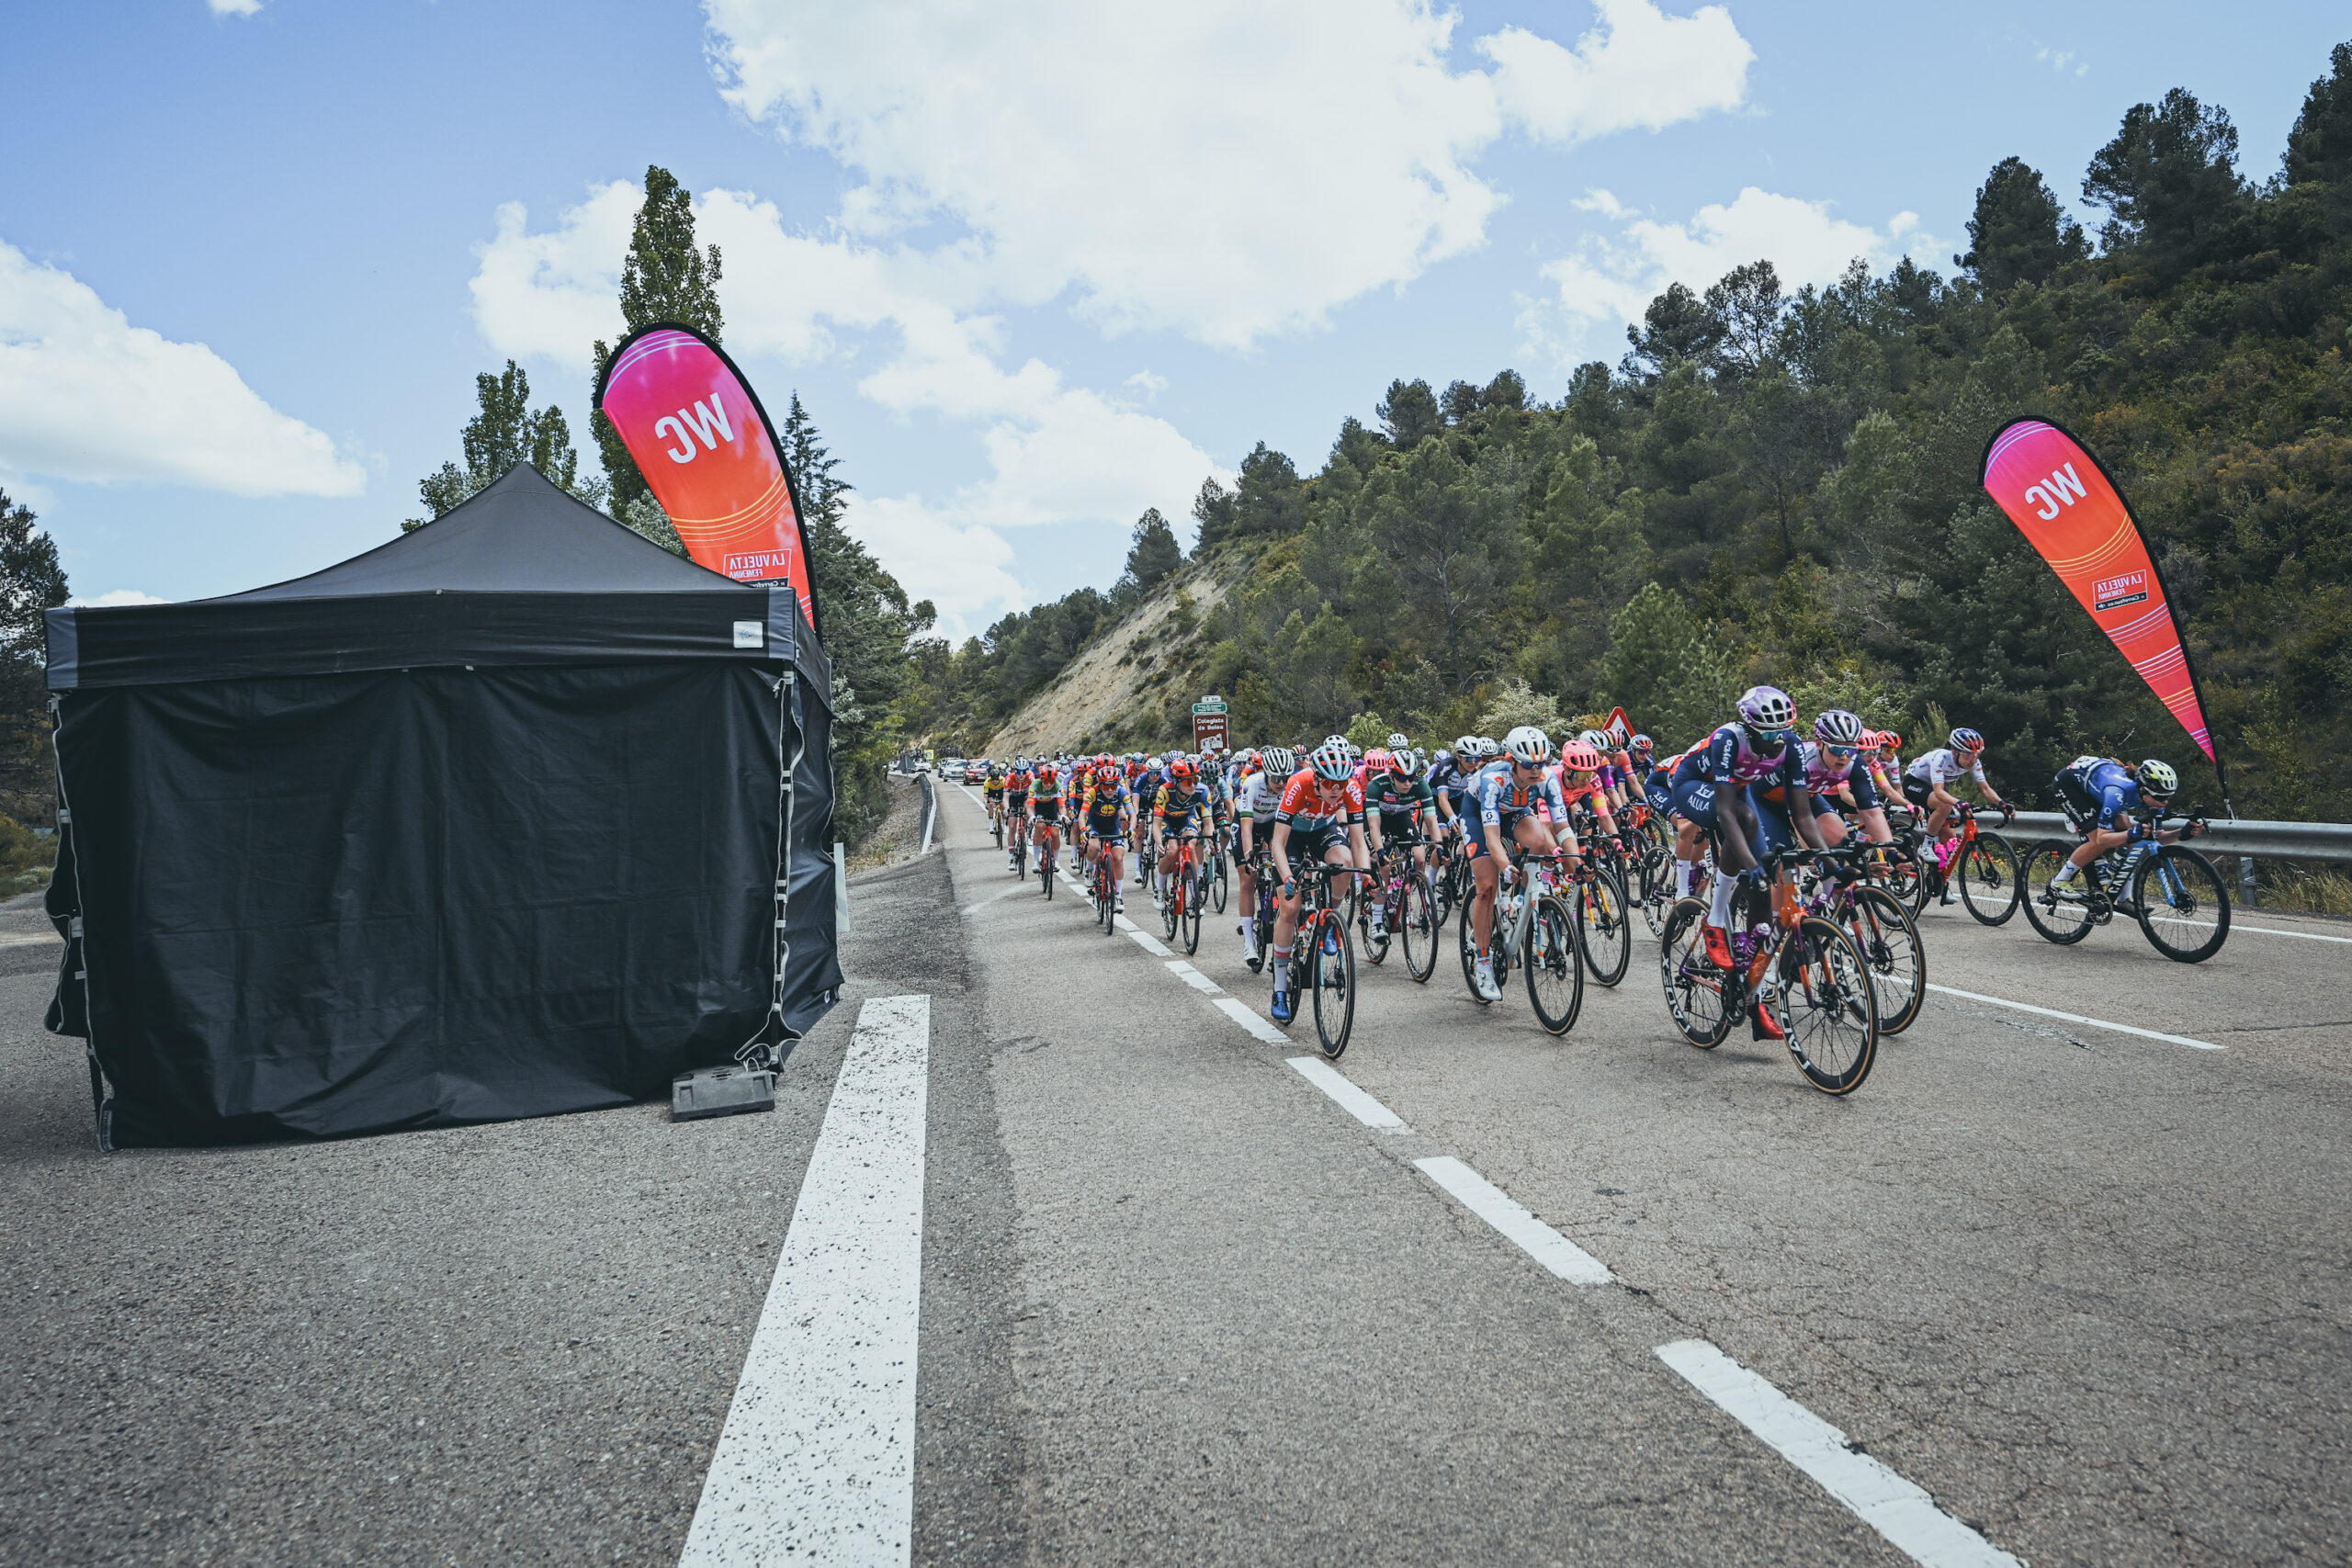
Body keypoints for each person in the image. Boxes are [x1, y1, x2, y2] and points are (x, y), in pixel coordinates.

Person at [1266, 739, 1369, 1025]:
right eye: (1331, 785)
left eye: (1342, 783)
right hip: (1292, 838)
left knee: (1345, 863)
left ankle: (1330, 922)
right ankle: (1279, 988)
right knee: (1290, 909)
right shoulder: (1298, 784)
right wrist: (1287, 878)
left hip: (1323, 830)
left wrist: (1367, 876)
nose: (1337, 790)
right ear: (1317, 780)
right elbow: (1278, 842)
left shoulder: (1350, 788)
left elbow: (1359, 840)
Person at [1464, 727, 1571, 1002]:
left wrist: (1575, 864)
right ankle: (1484, 962)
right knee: (1487, 887)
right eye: (1529, 765)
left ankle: (1522, 899)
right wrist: (1504, 867)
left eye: (1542, 764)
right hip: (1478, 815)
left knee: (1539, 841)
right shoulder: (1493, 779)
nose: (1536, 771)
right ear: (1513, 761)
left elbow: (1562, 828)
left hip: (1515, 811)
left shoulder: (1546, 779)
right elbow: (1491, 837)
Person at [2046, 756, 2204, 901]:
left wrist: (2181, 833)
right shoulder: (2117, 793)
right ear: (2143, 790)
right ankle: (2059, 881)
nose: (2165, 802)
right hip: (2071, 786)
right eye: (2161, 797)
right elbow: (2102, 838)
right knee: (2098, 841)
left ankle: (2123, 898)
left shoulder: (2156, 798)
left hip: (2099, 787)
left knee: (2129, 835)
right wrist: (2131, 834)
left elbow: (2156, 838)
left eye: (2168, 797)